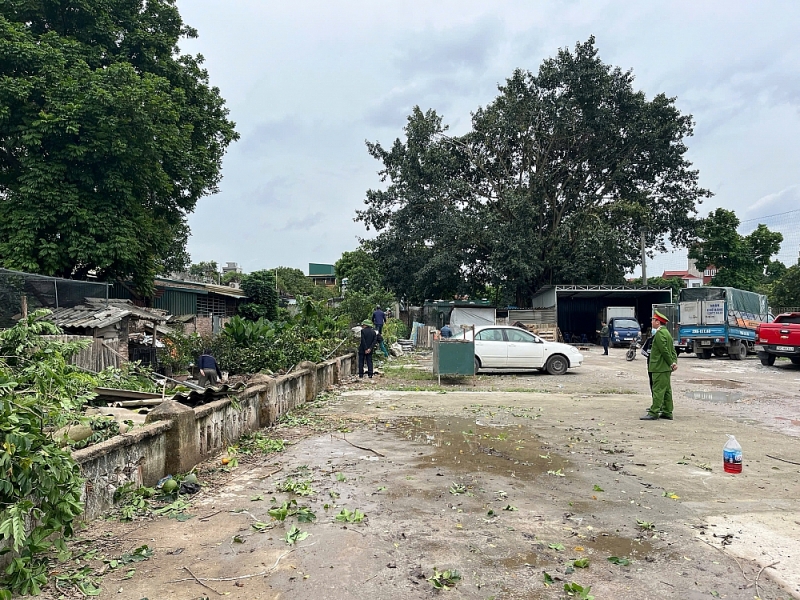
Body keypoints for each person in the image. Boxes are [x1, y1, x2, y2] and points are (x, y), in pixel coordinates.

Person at [641, 311, 678, 420]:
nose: (651, 321)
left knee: (657, 390)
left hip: (659, 367)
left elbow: (664, 351)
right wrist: (674, 361)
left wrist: (671, 362)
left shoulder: (660, 334)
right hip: (665, 368)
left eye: (653, 320)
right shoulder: (667, 333)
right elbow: (673, 350)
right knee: (666, 391)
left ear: (658, 322)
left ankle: (654, 412)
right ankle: (667, 411)